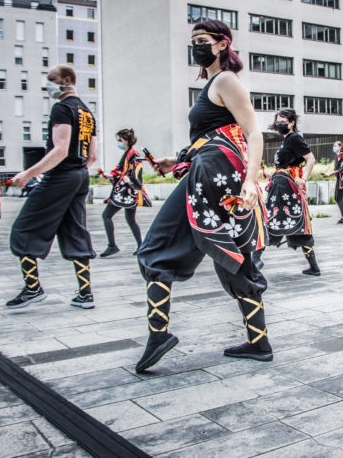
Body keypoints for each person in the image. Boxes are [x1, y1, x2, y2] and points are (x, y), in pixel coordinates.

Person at [135, 19, 269, 373]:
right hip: (212, 173)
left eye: (202, 40)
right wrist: (175, 158)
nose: (195, 45)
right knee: (233, 255)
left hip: (213, 176)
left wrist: (251, 181)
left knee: (156, 248)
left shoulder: (225, 80)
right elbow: (214, 135)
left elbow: (254, 133)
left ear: (223, 44)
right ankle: (259, 342)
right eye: (193, 40)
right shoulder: (213, 83)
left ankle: (158, 334)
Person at [6, 65, 98, 310]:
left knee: (25, 228)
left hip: (61, 176)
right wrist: (77, 174)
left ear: (67, 80)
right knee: (75, 230)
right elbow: (92, 156)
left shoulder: (62, 108)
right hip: (80, 175)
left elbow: (60, 149)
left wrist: (28, 174)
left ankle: (32, 288)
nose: (48, 85)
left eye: (51, 80)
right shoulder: (87, 113)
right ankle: (85, 293)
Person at [252, 108, 319, 276]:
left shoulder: (294, 138)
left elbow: (310, 158)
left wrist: (304, 178)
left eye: (284, 122)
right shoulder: (288, 140)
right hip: (282, 185)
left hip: (286, 188)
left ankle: (255, 259)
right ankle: (314, 266)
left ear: (292, 122)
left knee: (270, 218)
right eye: (278, 121)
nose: (280, 124)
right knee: (293, 222)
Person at [100, 128, 152, 257]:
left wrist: (129, 180)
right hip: (128, 191)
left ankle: (112, 246)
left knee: (106, 215)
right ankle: (140, 246)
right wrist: (112, 176)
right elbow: (121, 172)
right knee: (130, 219)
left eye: (120, 140)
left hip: (126, 192)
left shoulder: (132, 154)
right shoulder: (129, 153)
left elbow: (134, 173)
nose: (118, 142)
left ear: (126, 140)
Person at [321, 141, 343, 224]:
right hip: (341, 179)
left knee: (338, 198)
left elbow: (342, 168)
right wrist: (330, 175)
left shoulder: (342, 156)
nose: (334, 147)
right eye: (334, 146)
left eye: (336, 146)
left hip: (342, 180)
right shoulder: (339, 156)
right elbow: (338, 169)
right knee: (338, 198)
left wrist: (329, 174)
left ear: (340, 147)